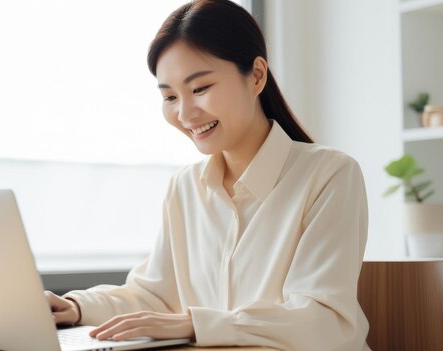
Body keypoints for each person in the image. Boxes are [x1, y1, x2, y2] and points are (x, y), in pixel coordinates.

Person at [45, 0, 371, 350]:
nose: (185, 113)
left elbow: (320, 319)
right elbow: (153, 295)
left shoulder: (329, 174)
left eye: (200, 89)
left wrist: (194, 324)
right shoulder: (184, 187)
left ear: (257, 75)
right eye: (170, 96)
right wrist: (77, 307)